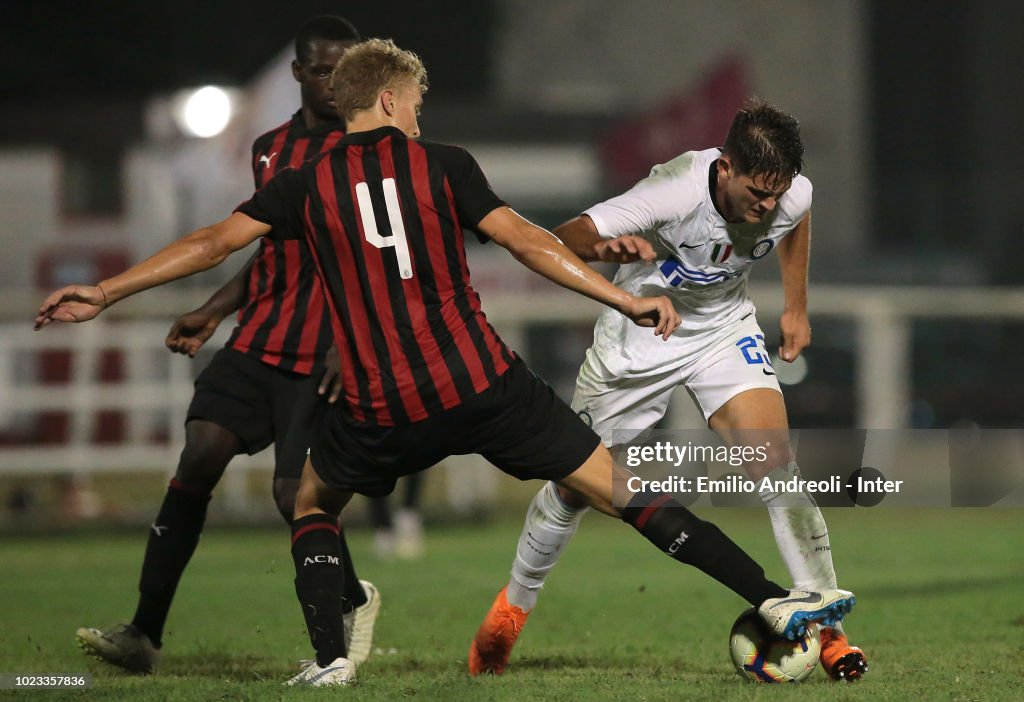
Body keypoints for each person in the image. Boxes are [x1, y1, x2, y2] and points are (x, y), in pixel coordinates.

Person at [36, 40, 855, 688]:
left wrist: (107, 290)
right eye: (417, 101)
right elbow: (532, 241)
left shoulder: (305, 182)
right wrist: (624, 299)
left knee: (313, 503)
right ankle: (770, 597)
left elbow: (212, 243)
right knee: (622, 492)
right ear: (389, 98)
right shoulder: (445, 165)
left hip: (380, 404)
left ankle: (330, 658)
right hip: (484, 384)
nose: (421, 115)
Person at [469, 99, 868, 682]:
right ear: (725, 167)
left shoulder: (790, 195)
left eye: (776, 193)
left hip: (722, 333)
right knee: (574, 487)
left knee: (776, 464)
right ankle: (510, 612)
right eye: (757, 193)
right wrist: (605, 248)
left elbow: (796, 219)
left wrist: (796, 308)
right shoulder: (674, 190)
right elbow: (562, 237)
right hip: (639, 339)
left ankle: (826, 632)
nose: (767, 207)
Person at [72, 16, 380, 675]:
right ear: (298, 74)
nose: (336, 83)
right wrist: (213, 309)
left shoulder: (371, 152)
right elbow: (269, 243)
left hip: (325, 351)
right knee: (200, 454)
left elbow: (376, 260)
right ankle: (142, 634)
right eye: (323, 70)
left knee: (291, 495)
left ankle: (347, 604)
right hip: (258, 340)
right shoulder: (269, 148)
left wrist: (351, 341)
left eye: (347, 69)